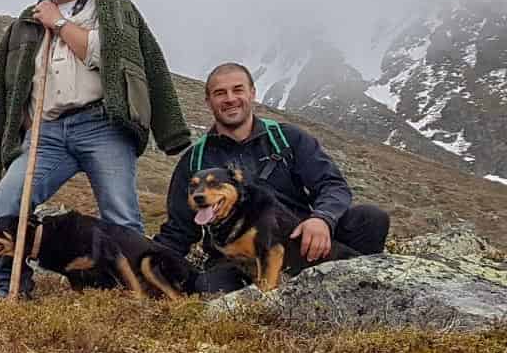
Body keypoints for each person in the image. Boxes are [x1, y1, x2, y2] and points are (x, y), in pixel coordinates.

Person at [0, 0, 191, 297]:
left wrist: (58, 23)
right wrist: (15, 131)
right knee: (9, 197)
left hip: (102, 125)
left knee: (120, 215)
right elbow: (3, 89)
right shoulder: (25, 26)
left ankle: (136, 289)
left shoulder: (114, 11)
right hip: (48, 133)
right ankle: (10, 287)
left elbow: (122, 61)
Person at [154, 62, 390, 292]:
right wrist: (148, 261)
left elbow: (332, 185)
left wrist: (322, 219)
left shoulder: (288, 138)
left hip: (302, 241)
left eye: (238, 89)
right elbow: (179, 229)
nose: (230, 99)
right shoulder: (195, 160)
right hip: (235, 257)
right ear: (208, 102)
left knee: (370, 218)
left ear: (252, 93)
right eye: (219, 93)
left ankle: (363, 291)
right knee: (208, 287)